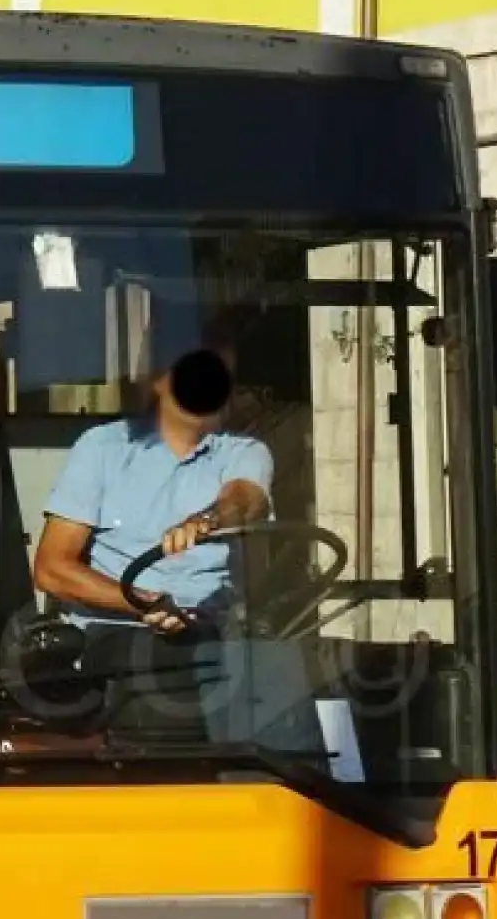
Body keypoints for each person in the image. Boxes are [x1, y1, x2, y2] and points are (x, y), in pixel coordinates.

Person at [29, 322, 328, 759]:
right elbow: (52, 569)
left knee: (289, 673)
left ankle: (293, 803)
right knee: (165, 680)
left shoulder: (243, 452)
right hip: (120, 633)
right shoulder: (103, 448)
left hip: (221, 636)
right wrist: (144, 603)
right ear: (159, 380)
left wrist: (208, 519)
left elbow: (246, 500)